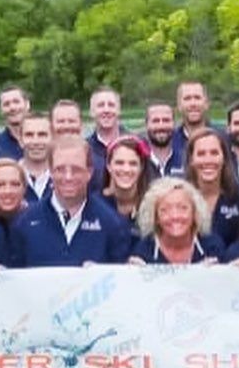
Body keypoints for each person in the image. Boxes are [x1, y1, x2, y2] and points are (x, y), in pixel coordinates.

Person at [9, 136, 132, 267]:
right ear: (50, 171)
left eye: (76, 169)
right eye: (60, 169)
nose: (68, 177)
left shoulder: (113, 224)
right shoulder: (24, 222)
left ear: (89, 172)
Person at [130, 177, 225, 264]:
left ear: (195, 213)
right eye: (165, 210)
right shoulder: (143, 251)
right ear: (156, 218)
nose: (175, 216)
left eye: (183, 208)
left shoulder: (213, 247)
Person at [185, 127, 239, 249]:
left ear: (224, 158)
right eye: (201, 154)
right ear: (191, 160)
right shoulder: (177, 196)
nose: (208, 160)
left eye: (214, 153)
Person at [101, 135, 150, 238]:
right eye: (119, 163)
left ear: (141, 167)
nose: (126, 170)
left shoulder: (151, 206)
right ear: (108, 166)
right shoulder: (94, 205)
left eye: (133, 164)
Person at [87, 86, 126, 190]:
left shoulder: (136, 144)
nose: (106, 110)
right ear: (91, 112)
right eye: (100, 105)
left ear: (119, 110)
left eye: (111, 105)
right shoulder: (84, 149)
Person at [0, 158, 28, 236]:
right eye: (0, 185)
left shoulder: (39, 220)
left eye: (15, 184)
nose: (8, 191)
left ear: (24, 188)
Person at [142, 101, 183, 179]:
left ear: (174, 123)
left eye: (166, 120)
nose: (161, 126)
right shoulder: (138, 162)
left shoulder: (186, 160)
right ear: (146, 125)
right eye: (155, 121)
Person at [19, 111, 53, 205]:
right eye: (29, 135)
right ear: (20, 140)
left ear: (53, 138)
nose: (36, 141)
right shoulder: (8, 178)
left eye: (42, 135)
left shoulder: (65, 178)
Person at [173, 81, 215, 152]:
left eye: (197, 98)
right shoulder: (171, 141)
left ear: (206, 104)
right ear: (179, 106)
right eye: (187, 98)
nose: (193, 104)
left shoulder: (222, 138)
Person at [0, 85, 30, 160]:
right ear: (0, 110)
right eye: (6, 104)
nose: (12, 107)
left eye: (16, 102)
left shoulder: (46, 138)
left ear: (27, 104)